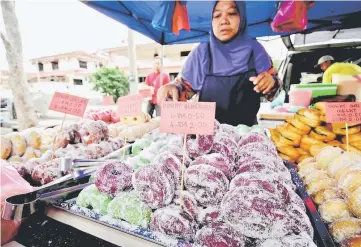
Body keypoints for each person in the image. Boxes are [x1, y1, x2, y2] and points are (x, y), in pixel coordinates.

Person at [157, 1, 281, 126]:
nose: (224, 21)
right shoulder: (202, 52)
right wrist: (173, 88)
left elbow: (274, 94)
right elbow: (184, 88)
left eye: (232, 13)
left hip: (247, 137)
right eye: (217, 16)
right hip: (206, 139)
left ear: (242, 18)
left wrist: (271, 82)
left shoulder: (256, 51)